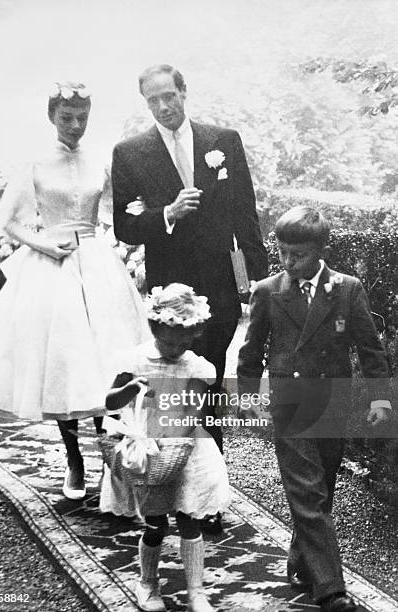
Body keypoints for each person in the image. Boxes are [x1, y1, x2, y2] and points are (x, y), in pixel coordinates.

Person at [0, 81, 150, 500]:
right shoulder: (35, 163)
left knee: (108, 361)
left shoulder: (100, 161)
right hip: (52, 266)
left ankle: (109, 459)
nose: (75, 125)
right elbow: (5, 222)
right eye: (67, 118)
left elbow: (117, 212)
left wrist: (144, 215)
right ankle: (73, 457)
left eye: (82, 117)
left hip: (97, 265)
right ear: (52, 117)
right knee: (64, 360)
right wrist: (44, 243)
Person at [237, 206, 391, 612]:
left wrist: (379, 398)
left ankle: (303, 562)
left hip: (332, 400)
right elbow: (251, 353)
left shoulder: (348, 288)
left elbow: (371, 350)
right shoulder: (269, 290)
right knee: (306, 491)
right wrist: (249, 397)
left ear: (320, 251)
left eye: (298, 255)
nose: (288, 262)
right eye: (282, 252)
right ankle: (331, 590)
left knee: (322, 489)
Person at [111, 63, 268, 457]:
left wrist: (260, 284)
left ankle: (209, 475)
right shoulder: (130, 153)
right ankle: (168, 469)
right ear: (145, 103)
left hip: (219, 288)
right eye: (153, 100)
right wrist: (167, 213)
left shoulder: (224, 141)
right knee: (173, 383)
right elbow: (124, 227)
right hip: (170, 294)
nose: (163, 107)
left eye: (169, 96)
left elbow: (246, 216)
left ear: (184, 92)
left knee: (211, 377)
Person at [100, 283, 230, 612]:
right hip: (146, 447)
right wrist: (131, 388)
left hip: (184, 447)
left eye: (182, 342)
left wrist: (174, 443)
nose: (174, 348)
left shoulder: (196, 366)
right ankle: (147, 583)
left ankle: (196, 591)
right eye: (167, 341)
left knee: (189, 519)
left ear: (195, 334)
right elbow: (109, 403)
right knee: (156, 522)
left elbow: (195, 411)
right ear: (154, 328)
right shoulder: (134, 359)